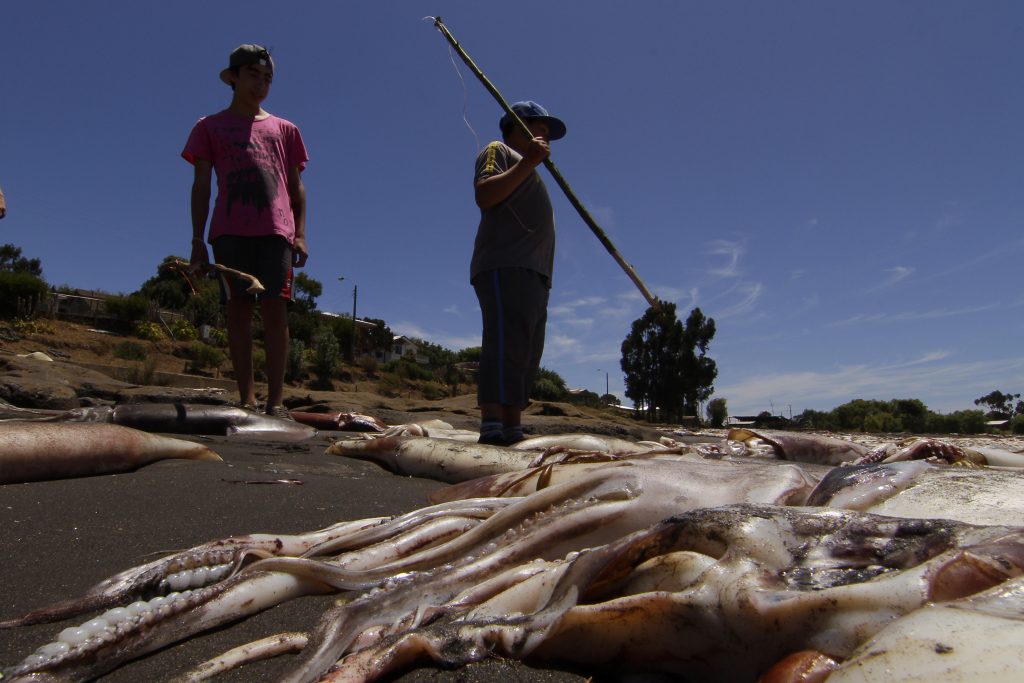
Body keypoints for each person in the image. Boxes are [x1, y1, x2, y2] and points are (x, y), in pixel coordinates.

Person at [182, 44, 308, 418]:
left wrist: (300, 233)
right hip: (229, 232)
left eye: (268, 77)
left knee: (275, 310)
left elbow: (296, 185)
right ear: (233, 77)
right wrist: (196, 239)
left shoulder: (286, 130)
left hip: (276, 231)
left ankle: (276, 401)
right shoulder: (209, 127)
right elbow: (201, 186)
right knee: (238, 310)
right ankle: (246, 398)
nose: (262, 83)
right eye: (254, 74)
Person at [470, 101, 566, 446]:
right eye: (539, 127)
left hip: (534, 274)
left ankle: (512, 426)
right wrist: (529, 161)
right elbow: (485, 194)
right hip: (504, 264)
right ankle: (492, 424)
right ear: (517, 124)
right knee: (504, 343)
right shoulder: (499, 151)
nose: (545, 136)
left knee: (525, 351)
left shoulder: (530, 169)